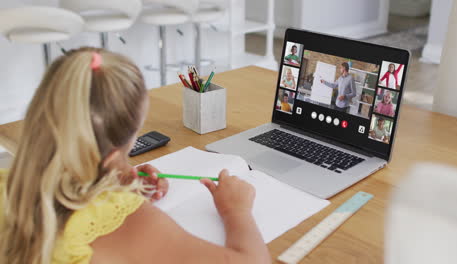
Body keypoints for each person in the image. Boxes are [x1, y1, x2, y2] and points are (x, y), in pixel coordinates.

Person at [0, 48, 271, 264]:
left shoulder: (6, 185)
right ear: (117, 151)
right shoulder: (124, 222)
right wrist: (235, 210)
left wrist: (109, 185)